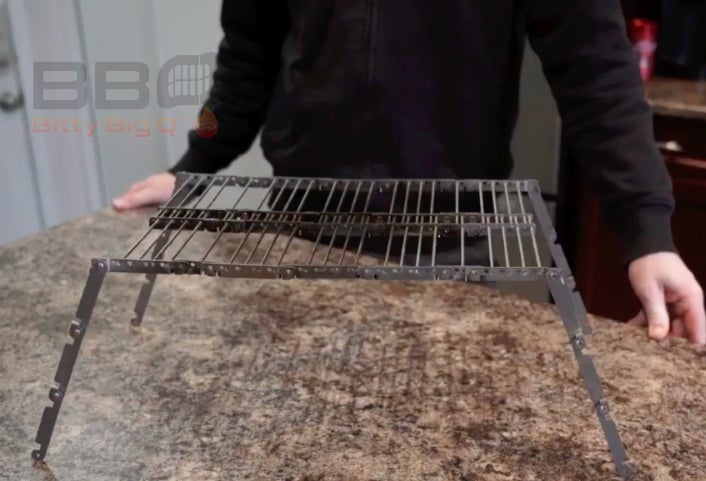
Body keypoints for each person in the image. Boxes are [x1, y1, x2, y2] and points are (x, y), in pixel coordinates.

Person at [113, 0, 705, 345]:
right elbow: (245, 61)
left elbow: (596, 69)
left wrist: (647, 234)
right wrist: (195, 165)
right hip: (298, 231)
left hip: (447, 245)